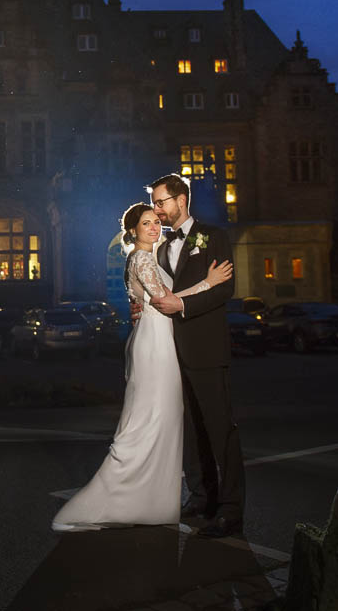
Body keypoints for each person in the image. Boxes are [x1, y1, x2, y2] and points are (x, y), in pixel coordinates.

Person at [52, 203, 232, 532]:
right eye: (146, 223)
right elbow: (164, 300)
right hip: (154, 344)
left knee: (161, 419)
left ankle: (152, 502)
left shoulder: (150, 254)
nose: (154, 227)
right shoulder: (141, 257)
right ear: (133, 230)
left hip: (158, 338)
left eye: (156, 221)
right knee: (151, 419)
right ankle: (125, 498)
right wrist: (209, 282)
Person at [148, 172, 245, 537]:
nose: (157, 209)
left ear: (181, 199)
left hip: (205, 347)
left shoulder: (213, 236)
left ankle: (231, 508)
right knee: (189, 429)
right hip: (170, 354)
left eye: (162, 202)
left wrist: (180, 305)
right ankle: (202, 496)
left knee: (221, 429)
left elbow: (225, 289)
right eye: (155, 203)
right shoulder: (159, 247)